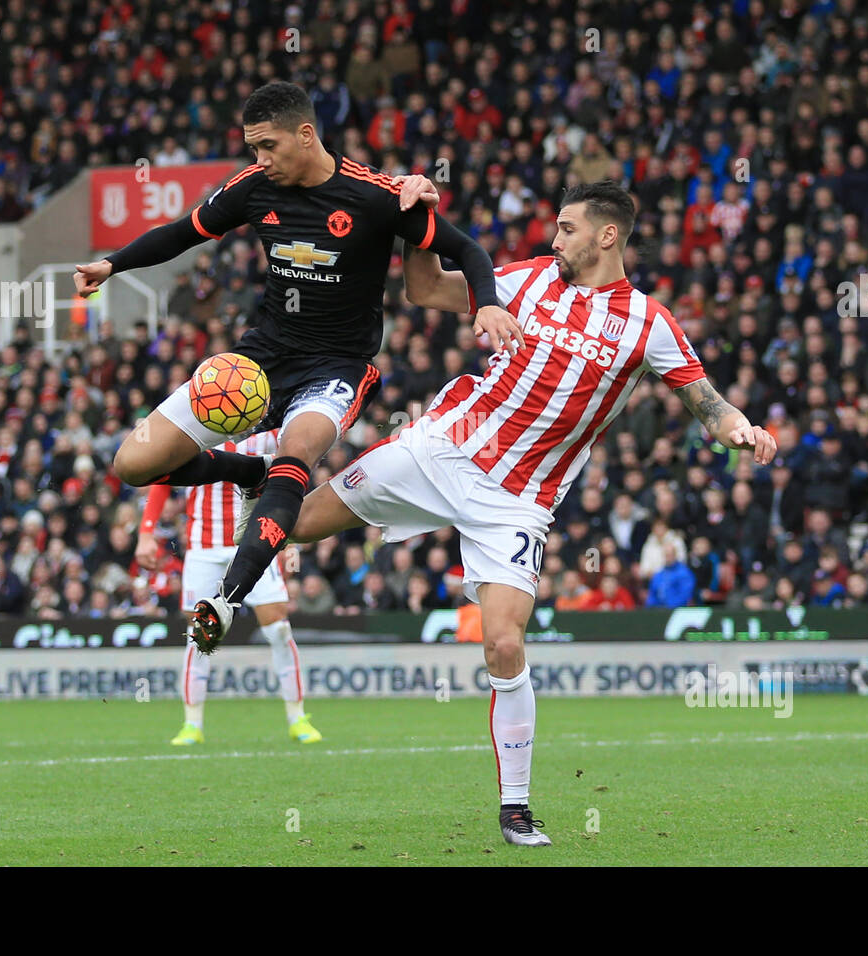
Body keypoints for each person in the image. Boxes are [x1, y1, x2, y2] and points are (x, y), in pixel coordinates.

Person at [281, 181, 776, 846]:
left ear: (607, 236)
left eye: (567, 228)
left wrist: (742, 430)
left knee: (505, 643)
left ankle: (515, 808)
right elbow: (429, 291)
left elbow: (709, 404)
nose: (554, 239)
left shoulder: (649, 324)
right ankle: (224, 512)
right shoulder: (529, 278)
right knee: (300, 522)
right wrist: (415, 228)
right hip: (443, 446)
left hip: (517, 502)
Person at [75, 81, 520, 650]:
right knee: (133, 465)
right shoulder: (254, 188)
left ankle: (226, 599)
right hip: (257, 361)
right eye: (252, 148)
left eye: (267, 146)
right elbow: (183, 234)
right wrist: (111, 265)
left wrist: (485, 301)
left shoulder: (379, 197)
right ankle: (247, 475)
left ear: (306, 135)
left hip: (336, 366)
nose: (259, 160)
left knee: (298, 451)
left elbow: (467, 250)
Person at [136, 428, 320, 746]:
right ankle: (192, 723)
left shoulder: (273, 428)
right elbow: (162, 478)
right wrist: (146, 532)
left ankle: (297, 717)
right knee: (201, 633)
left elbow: (291, 476)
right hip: (203, 544)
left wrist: (290, 534)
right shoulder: (195, 427)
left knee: (277, 628)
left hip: (255, 538)